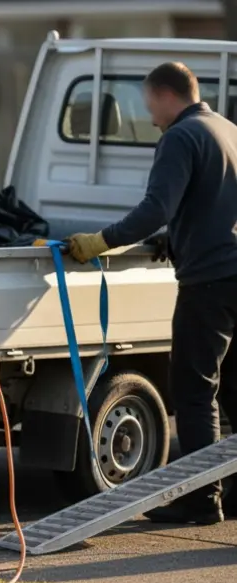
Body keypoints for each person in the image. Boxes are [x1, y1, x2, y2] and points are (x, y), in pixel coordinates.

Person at [67, 61, 237, 525]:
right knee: (234, 392)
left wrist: (101, 240)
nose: (150, 117)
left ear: (165, 95)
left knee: (194, 392)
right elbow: (211, 205)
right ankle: (231, 490)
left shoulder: (180, 138)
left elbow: (154, 209)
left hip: (207, 284)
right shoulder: (227, 130)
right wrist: (177, 238)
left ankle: (202, 500)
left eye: (149, 106)